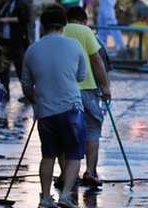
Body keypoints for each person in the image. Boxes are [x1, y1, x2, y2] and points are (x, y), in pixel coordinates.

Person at [21, 3, 87, 208]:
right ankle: (66, 195)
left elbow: (26, 85)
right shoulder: (74, 45)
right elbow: (81, 76)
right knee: (74, 154)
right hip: (71, 108)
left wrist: (36, 101)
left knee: (48, 155)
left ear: (43, 25)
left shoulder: (32, 50)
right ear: (64, 24)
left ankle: (45, 197)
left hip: (46, 112)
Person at [64, 6, 112, 187]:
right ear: (84, 20)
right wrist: (105, 86)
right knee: (92, 130)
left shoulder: (60, 31)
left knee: (66, 131)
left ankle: (66, 175)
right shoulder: (86, 31)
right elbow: (96, 60)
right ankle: (90, 171)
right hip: (87, 89)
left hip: (63, 90)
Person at [0, 0, 31, 102]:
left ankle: (27, 95)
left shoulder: (21, 4)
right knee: (3, 70)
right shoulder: (3, 4)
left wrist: (7, 20)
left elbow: (25, 19)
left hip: (17, 42)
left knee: (21, 70)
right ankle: (5, 94)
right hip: (3, 42)